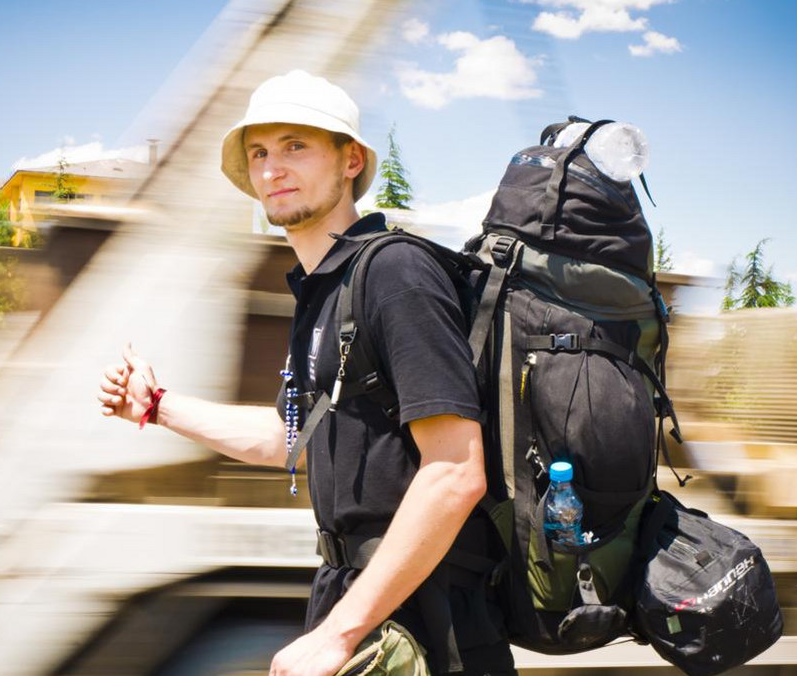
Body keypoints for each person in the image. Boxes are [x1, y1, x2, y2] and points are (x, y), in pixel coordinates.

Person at [97, 70, 514, 676]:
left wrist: (341, 635)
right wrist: (158, 406)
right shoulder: (323, 292)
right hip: (363, 600)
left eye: (296, 146)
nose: (272, 169)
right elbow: (292, 438)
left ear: (350, 160)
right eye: (259, 153)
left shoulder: (395, 273)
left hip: (424, 619)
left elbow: (454, 471)